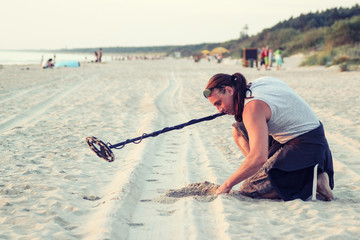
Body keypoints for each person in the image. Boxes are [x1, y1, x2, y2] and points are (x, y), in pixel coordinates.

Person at [203, 73, 334, 201]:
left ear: (229, 90)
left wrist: (227, 185)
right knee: (238, 128)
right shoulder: (258, 83)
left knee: (248, 189)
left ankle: (310, 181)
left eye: (218, 103)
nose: (219, 110)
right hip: (310, 137)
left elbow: (259, 157)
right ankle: (262, 173)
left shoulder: (252, 107)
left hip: (306, 146)